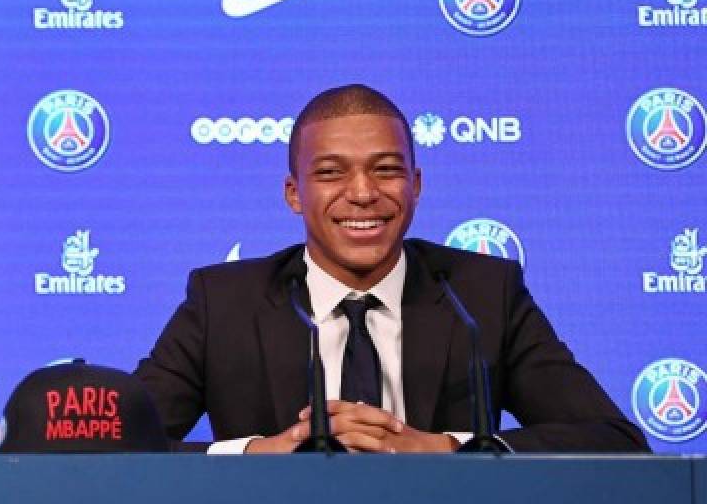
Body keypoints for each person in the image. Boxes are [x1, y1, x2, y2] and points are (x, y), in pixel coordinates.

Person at [136, 84, 648, 454]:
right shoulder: (225, 302)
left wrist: (449, 449)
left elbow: (612, 439)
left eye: (386, 170)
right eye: (331, 173)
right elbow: (120, 444)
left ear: (415, 186)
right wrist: (254, 454)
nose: (363, 193)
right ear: (294, 194)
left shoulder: (483, 296)